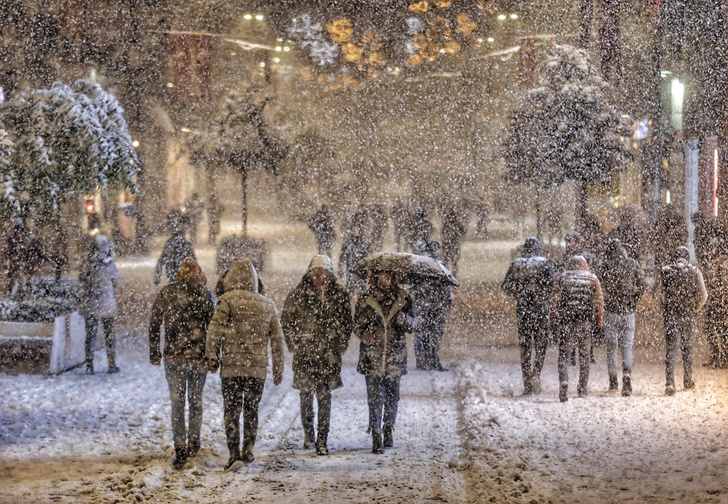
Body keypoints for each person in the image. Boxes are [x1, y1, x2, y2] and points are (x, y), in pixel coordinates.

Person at [206, 259, 284, 469]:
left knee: (231, 412)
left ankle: (233, 454)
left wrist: (212, 356)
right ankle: (248, 452)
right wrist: (278, 368)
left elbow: (214, 331)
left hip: (232, 367)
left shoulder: (227, 301)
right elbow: (277, 340)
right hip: (256, 370)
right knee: (251, 410)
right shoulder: (267, 304)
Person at [281, 256, 352, 456]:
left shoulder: (339, 295)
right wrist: (295, 343)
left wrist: (339, 344)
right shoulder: (298, 294)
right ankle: (308, 433)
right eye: (317, 274)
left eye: (325, 275)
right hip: (305, 354)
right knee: (305, 396)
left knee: (324, 396)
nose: (321, 279)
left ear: (330, 276)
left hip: (328, 355)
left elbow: (347, 323)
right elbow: (286, 320)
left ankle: (322, 438)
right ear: (310, 274)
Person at [149, 258, 215, 469]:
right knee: (195, 401)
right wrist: (214, 355)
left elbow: (154, 321)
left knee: (177, 403)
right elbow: (213, 326)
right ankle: (194, 440)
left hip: (173, 356)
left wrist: (154, 352)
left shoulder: (167, 292)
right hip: (198, 356)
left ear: (179, 273)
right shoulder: (205, 293)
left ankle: (180, 447)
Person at [354, 270, 414, 453]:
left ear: (394, 278)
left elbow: (412, 325)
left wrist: (402, 318)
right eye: (381, 276)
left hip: (394, 356)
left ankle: (388, 427)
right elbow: (356, 325)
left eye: (389, 276)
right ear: (374, 278)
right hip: (372, 356)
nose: (385, 280)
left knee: (392, 397)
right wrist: (365, 334)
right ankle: (375, 433)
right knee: (373, 399)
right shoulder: (365, 299)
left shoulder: (404, 298)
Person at [502, 237, 555, 395]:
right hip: (541, 310)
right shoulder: (544, 263)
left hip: (524, 310)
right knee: (541, 344)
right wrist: (543, 295)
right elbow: (552, 283)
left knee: (525, 346)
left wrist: (519, 296)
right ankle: (536, 373)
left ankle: (527, 380)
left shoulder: (516, 264)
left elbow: (506, 286)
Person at [595, 239, 645, 396]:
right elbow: (642, 284)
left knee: (611, 348)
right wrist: (634, 298)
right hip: (628, 310)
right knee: (627, 346)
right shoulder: (632, 263)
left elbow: (598, 287)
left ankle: (613, 381)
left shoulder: (604, 266)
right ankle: (627, 375)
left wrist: (604, 301)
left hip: (611, 311)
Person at [551, 256, 603, 402]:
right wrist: (599, 321)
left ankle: (563, 382)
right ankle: (582, 387)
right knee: (584, 354)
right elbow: (599, 301)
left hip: (566, 321)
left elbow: (555, 301)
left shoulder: (562, 277)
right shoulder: (592, 279)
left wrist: (553, 320)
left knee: (564, 354)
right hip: (585, 321)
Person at [660, 246, 708, 395]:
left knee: (671, 350)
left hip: (671, 315)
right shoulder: (695, 271)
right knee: (687, 349)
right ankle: (687, 380)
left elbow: (660, 295)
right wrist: (696, 309)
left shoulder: (666, 271)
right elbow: (704, 295)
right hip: (689, 316)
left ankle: (669, 381)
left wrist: (667, 306)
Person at [80, 235, 122, 375]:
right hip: (107, 303)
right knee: (109, 334)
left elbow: (82, 279)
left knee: (90, 335)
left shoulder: (88, 263)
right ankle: (111, 364)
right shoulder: (109, 264)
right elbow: (117, 282)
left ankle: (90, 365)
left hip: (91, 302)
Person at [411, 241, 454, 371]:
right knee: (429, 334)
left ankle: (428, 359)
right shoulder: (431, 266)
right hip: (430, 306)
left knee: (427, 334)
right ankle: (429, 359)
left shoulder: (425, 265)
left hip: (428, 306)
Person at [704, 238, 728, 369]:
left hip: (722, 303)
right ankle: (715, 356)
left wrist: (720, 295)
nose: (710, 250)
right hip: (713, 302)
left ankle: (723, 358)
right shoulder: (714, 263)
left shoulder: (724, 263)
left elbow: (724, 284)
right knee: (708, 329)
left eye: (713, 247)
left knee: (723, 331)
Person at [338, 213, 370, 302]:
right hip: (356, 272)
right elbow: (342, 258)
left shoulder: (351, 244)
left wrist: (340, 268)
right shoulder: (360, 244)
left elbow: (342, 258)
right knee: (356, 293)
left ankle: (354, 308)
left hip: (355, 272)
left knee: (354, 293)